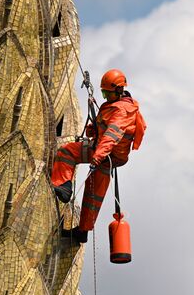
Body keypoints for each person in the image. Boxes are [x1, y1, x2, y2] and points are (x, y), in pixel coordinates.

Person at [52, 69, 147, 243]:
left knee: (67, 152)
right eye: (103, 93)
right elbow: (103, 127)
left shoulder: (123, 111)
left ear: (119, 91)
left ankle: (63, 186)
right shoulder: (114, 105)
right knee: (93, 195)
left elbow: (112, 135)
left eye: (107, 94)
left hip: (106, 154)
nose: (105, 97)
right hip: (106, 155)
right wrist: (93, 128)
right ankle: (82, 232)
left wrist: (98, 155)